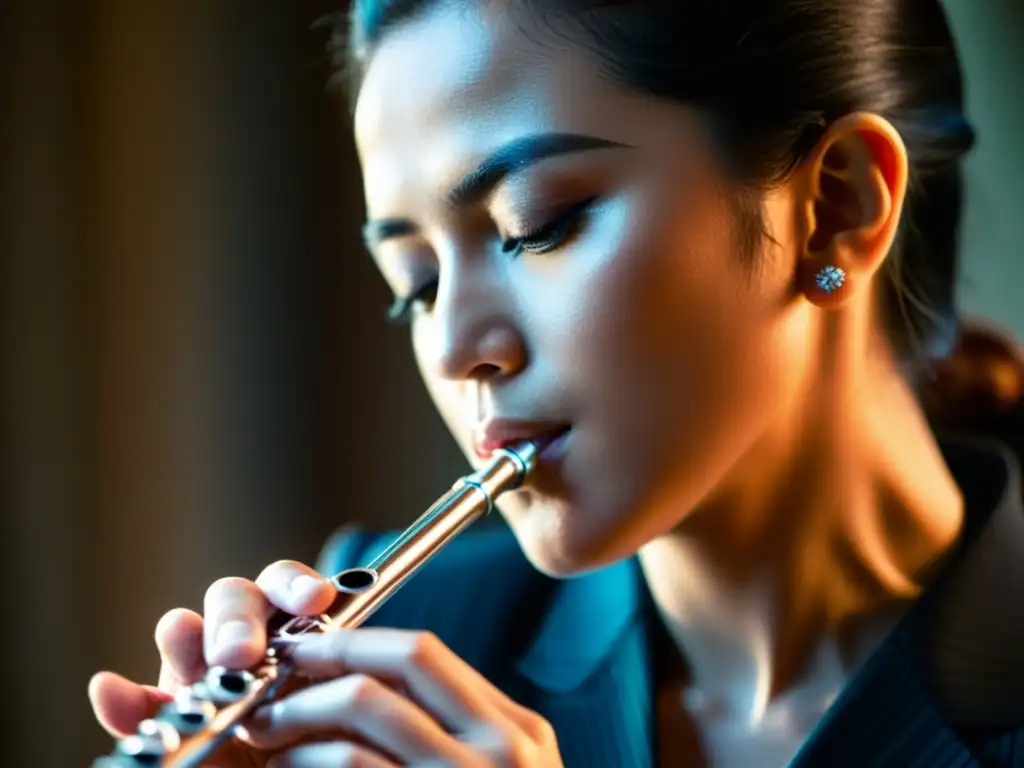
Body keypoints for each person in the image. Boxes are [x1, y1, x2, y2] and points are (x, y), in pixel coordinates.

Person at [88, 1, 1024, 765]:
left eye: (536, 225)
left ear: (837, 207)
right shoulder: (383, 657)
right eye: (413, 285)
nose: (455, 348)